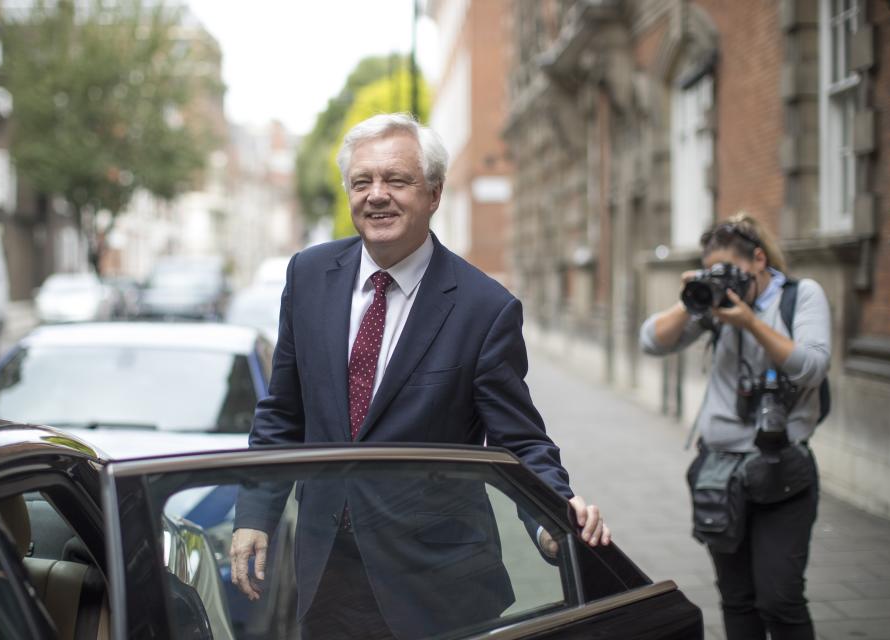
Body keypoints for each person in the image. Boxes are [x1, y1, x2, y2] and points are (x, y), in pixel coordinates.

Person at [229, 113, 610, 639]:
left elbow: (518, 439)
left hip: (438, 586)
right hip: (327, 573)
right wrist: (254, 511)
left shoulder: (484, 308)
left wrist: (551, 517)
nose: (377, 195)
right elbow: (283, 410)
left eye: (396, 180)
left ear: (433, 194)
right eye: (362, 182)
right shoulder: (309, 275)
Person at [640, 213, 831, 640]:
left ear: (759, 259)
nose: (724, 282)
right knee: (736, 598)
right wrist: (691, 298)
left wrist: (751, 323)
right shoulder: (711, 305)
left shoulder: (800, 297)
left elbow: (813, 368)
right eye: (714, 273)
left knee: (780, 598)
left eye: (731, 271)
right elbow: (650, 341)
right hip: (719, 473)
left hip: (782, 469)